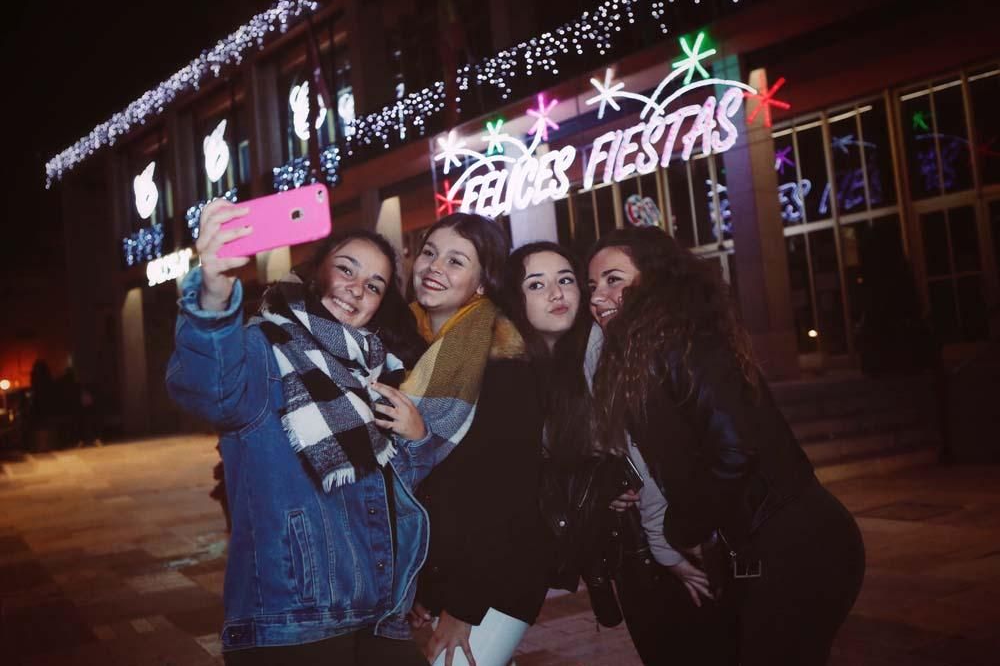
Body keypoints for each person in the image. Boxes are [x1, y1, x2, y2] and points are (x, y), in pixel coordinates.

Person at [167, 199, 436, 665]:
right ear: (315, 273)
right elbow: (208, 389)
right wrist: (213, 291)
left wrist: (415, 438)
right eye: (345, 270)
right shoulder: (263, 349)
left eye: (373, 285)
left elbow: (396, 497)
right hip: (293, 624)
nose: (355, 290)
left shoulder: (379, 372)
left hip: (381, 615)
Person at [588, 227, 866, 665]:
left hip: (799, 545)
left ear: (657, 281)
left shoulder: (685, 342)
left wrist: (683, 530)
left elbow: (734, 452)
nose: (597, 295)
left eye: (614, 279)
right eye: (594, 284)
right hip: (766, 547)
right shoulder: (649, 351)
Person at [505, 242, 727, 665]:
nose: (557, 293)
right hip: (621, 545)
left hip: (661, 536)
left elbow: (644, 455)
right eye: (537, 284)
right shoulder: (527, 369)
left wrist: (665, 547)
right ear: (517, 300)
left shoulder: (600, 350)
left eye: (566, 280)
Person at [403, 213, 549, 666]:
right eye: (429, 252)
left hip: (495, 576)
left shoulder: (505, 366)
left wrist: (464, 606)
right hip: (439, 571)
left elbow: (505, 495)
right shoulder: (408, 351)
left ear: (483, 282)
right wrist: (418, 584)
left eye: (455, 260)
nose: (434, 267)